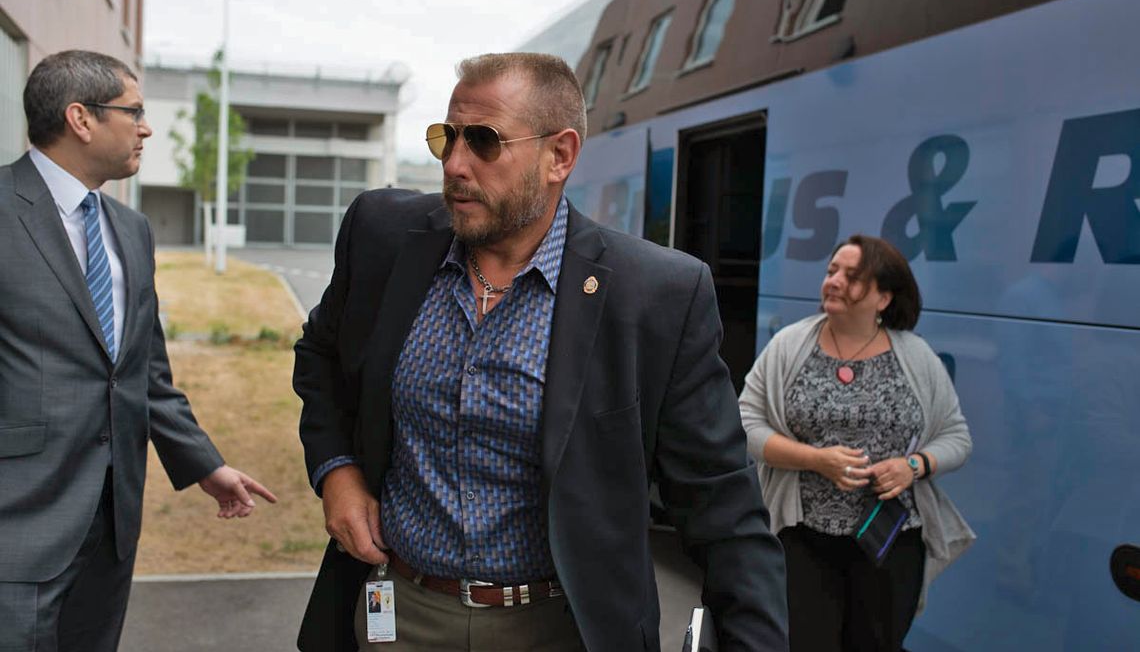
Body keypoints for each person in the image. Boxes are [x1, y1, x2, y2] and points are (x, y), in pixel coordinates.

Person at [293, 52, 788, 651]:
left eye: (483, 142)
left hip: (564, 628)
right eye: (445, 138)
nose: (454, 164)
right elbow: (319, 357)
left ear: (560, 155)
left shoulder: (655, 295)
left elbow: (722, 506)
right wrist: (336, 472)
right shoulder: (383, 236)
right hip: (398, 614)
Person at [0, 50, 277, 652]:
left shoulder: (131, 230)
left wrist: (203, 463)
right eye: (134, 111)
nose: (146, 127)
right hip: (15, 527)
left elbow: (142, 372)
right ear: (81, 118)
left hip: (110, 523)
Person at [738, 235, 974, 651]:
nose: (834, 282)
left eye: (852, 277)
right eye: (832, 271)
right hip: (804, 537)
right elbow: (745, 423)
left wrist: (913, 466)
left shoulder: (916, 356)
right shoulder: (789, 346)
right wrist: (814, 460)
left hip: (889, 539)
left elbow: (957, 437)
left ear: (883, 297)